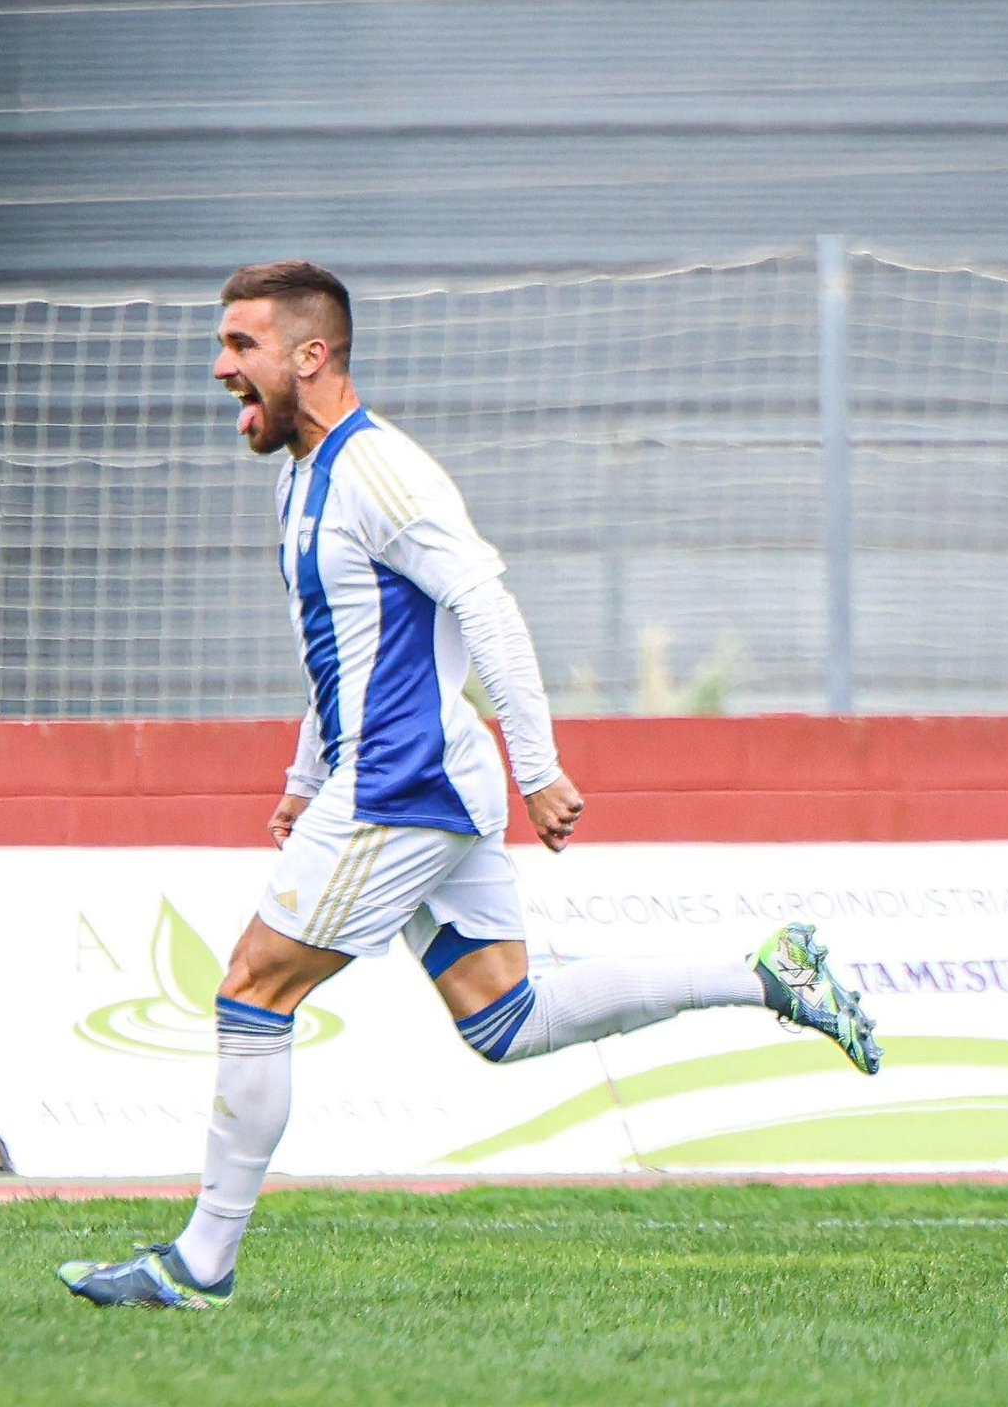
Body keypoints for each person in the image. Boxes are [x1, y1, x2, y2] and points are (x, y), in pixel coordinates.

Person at [58, 260, 879, 1310]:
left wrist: (538, 765)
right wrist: (304, 773)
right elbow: (347, 646)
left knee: (252, 986)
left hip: (404, 785)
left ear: (311, 355)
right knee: (506, 1019)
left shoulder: (383, 472)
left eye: (240, 347)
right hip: (411, 776)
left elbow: (485, 607)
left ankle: (199, 1265)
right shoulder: (297, 476)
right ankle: (764, 970)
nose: (221, 368)